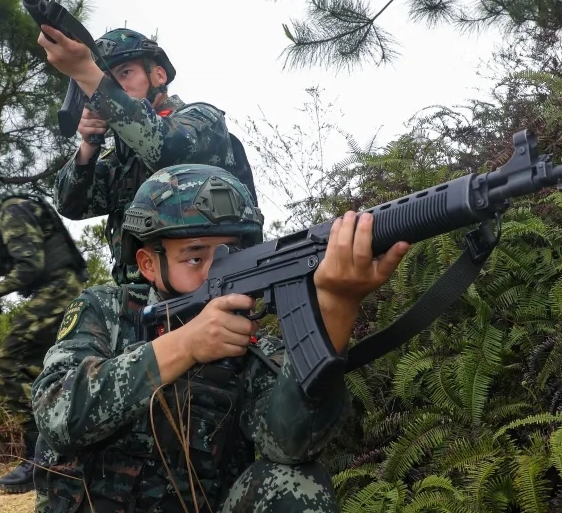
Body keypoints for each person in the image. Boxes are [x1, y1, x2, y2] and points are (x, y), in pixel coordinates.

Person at [31, 164, 410, 512]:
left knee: (297, 482)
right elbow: (56, 413)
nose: (216, 270)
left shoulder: (250, 346)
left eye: (231, 253)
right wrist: (184, 345)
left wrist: (335, 308)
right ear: (148, 264)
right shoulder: (107, 311)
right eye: (195, 257)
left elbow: (293, 444)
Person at [39, 25, 257, 286]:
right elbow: (70, 205)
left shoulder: (202, 120)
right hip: (141, 297)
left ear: (159, 75)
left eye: (125, 72)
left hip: (211, 283)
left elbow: (165, 149)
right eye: (107, 79)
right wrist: (88, 145)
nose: (116, 85)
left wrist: (86, 73)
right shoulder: (122, 158)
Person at [0, 153, 90, 493]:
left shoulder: (10, 209)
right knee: (45, 370)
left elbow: (31, 266)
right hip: (57, 289)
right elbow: (24, 260)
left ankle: (39, 457)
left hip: (59, 290)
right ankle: (64, 451)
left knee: (9, 365)